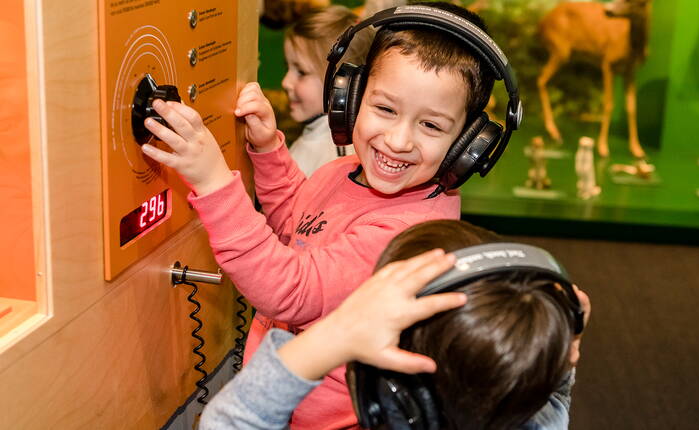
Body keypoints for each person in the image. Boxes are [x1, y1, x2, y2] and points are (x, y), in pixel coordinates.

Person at [141, 2, 517, 428]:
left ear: (468, 145)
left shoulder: (411, 234)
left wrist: (212, 182)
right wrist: (268, 151)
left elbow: (291, 290)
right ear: (349, 97)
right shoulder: (344, 171)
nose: (397, 140)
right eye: (386, 109)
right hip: (284, 398)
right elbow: (298, 226)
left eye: (431, 126)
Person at [199, 220, 591, 429]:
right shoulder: (539, 421)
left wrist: (337, 333)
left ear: (389, 396)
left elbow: (230, 422)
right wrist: (558, 349)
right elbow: (554, 400)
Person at [281, 6, 367, 177]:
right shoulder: (318, 138)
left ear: (343, 85)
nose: (285, 82)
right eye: (288, 67)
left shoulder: (329, 158)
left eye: (301, 73)